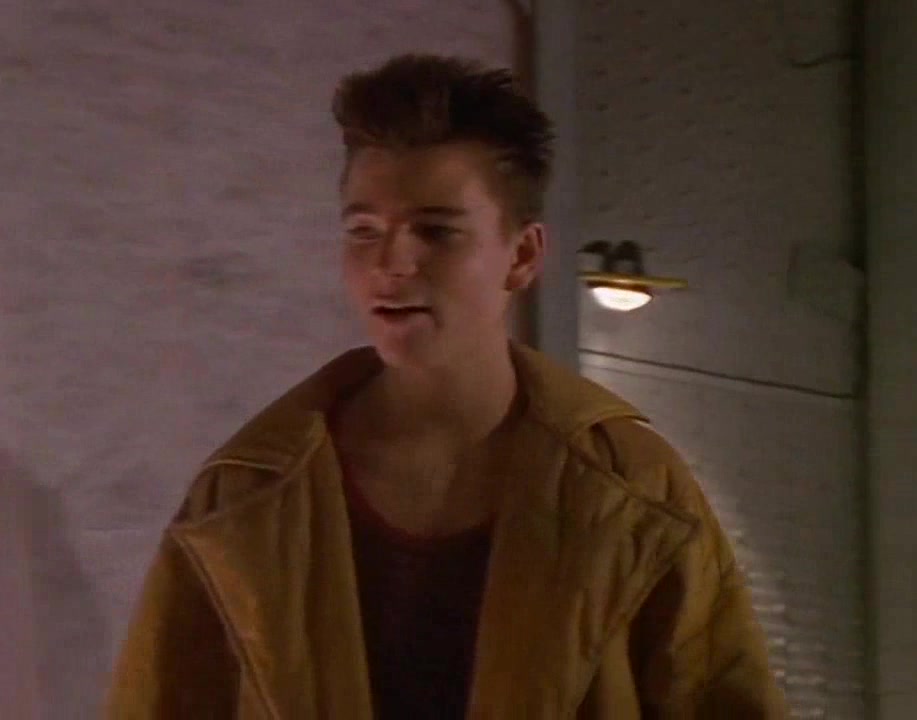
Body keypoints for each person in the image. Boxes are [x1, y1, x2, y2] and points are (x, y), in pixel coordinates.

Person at [106, 54, 786, 718]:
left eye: (436, 231)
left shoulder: (635, 491)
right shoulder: (243, 498)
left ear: (522, 256)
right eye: (363, 231)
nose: (392, 262)